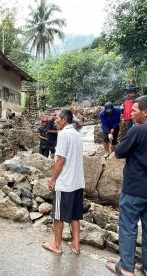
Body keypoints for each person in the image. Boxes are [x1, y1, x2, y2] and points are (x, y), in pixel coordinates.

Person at [106, 96, 147, 276]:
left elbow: (119, 152)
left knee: (128, 227)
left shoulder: (138, 131)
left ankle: (127, 268)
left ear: (145, 112)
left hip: (136, 189)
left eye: (135, 110)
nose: (131, 113)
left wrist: (116, 139)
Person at [42, 109, 84, 255]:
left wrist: (53, 180)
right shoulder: (77, 135)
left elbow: (60, 160)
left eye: (57, 118)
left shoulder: (64, 134)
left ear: (65, 119)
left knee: (58, 216)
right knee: (75, 215)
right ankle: (76, 245)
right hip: (77, 182)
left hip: (65, 182)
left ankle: (57, 245)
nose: (55, 121)